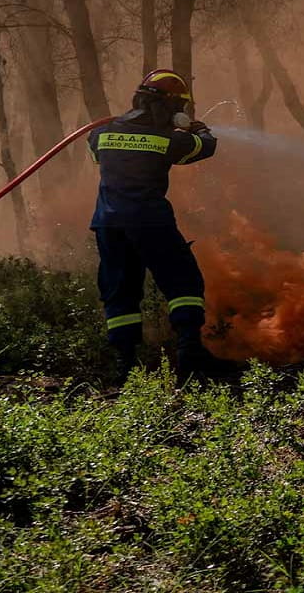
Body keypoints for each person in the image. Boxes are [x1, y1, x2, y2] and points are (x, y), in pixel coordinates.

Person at [89, 69, 240, 383]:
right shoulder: (167, 138)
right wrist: (198, 128)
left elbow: (97, 152)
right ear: (171, 105)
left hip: (109, 224)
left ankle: (126, 366)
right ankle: (190, 354)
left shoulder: (102, 134)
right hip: (149, 219)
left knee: (120, 290)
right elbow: (204, 148)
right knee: (181, 281)